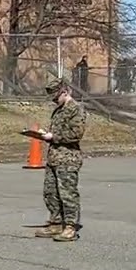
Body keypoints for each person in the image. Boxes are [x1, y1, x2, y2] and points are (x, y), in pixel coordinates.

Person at [33, 78, 87, 242]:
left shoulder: (76, 109)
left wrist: (53, 137)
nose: (54, 100)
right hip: (54, 157)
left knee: (67, 194)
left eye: (56, 97)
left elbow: (76, 134)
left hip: (68, 158)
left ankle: (70, 227)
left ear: (65, 92)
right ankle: (55, 222)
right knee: (50, 193)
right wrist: (45, 135)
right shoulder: (58, 110)